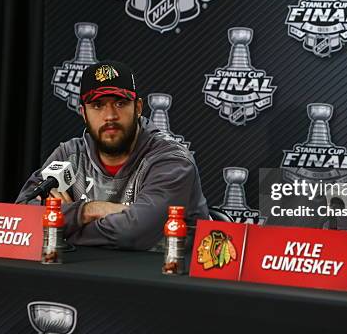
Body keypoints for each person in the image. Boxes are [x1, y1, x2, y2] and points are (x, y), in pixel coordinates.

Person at [16, 60, 209, 250]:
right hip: (86, 272)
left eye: (120, 103)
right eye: (97, 105)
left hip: (164, 275)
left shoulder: (171, 160)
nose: (110, 116)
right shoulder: (70, 155)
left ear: (138, 108)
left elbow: (135, 232)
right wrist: (87, 211)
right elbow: (19, 219)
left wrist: (61, 225)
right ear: (84, 113)